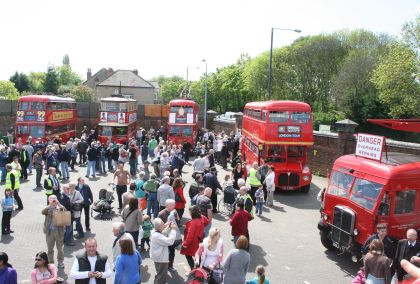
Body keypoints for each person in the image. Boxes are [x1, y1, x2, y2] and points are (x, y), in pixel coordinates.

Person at [181, 205, 209, 270]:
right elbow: (207, 222)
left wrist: (185, 244)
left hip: (192, 242)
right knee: (198, 255)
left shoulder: (193, 222)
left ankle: (192, 269)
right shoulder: (202, 217)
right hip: (200, 240)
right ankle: (197, 269)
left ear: (192, 212)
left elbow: (190, 235)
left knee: (188, 255)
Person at [158, 199, 182, 271]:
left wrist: (176, 215)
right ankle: (163, 266)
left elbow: (178, 222)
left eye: (174, 205)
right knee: (164, 252)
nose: (174, 206)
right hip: (165, 236)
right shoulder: (161, 213)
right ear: (167, 205)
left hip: (172, 236)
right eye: (172, 205)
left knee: (172, 252)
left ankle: (170, 265)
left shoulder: (174, 212)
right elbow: (158, 226)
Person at [150, 218, 177, 284]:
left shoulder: (155, 231)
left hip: (158, 258)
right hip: (161, 260)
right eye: (163, 224)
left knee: (159, 274)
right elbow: (170, 241)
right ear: (159, 227)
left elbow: (163, 232)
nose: (164, 225)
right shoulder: (157, 236)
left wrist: (168, 227)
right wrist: (173, 230)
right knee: (161, 278)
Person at [42, 195, 65, 269]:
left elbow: (65, 210)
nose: (54, 201)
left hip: (59, 232)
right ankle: (50, 262)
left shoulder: (60, 207)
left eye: (55, 199)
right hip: (50, 232)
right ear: (49, 200)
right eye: (52, 200)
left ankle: (60, 262)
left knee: (60, 248)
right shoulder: (48, 208)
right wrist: (50, 205)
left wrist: (58, 204)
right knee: (50, 248)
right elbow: (42, 212)